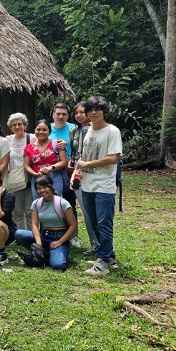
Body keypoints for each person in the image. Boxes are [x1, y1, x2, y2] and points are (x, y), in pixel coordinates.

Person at [73, 96, 122, 276]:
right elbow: (82, 157)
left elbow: (113, 158)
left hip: (104, 185)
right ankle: (108, 256)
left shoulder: (112, 131)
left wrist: (88, 165)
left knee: (103, 223)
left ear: (104, 111)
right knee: (93, 222)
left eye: (97, 109)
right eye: (90, 110)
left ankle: (102, 263)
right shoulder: (87, 132)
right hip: (87, 183)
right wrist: (76, 174)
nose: (93, 112)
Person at [14, 175, 77, 271]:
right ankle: (43, 253)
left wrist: (59, 242)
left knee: (58, 266)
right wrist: (38, 243)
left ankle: (47, 255)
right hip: (43, 236)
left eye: (44, 187)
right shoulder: (36, 203)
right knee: (18, 234)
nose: (42, 190)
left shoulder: (62, 203)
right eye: (39, 188)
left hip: (59, 237)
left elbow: (73, 226)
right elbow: (34, 225)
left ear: (51, 186)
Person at [50, 102, 79, 247]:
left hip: (70, 170)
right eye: (58, 114)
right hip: (52, 171)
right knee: (51, 202)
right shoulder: (46, 129)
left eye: (64, 114)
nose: (60, 117)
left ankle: (73, 235)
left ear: (68, 116)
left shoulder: (73, 129)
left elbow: (78, 147)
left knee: (69, 203)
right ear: (53, 115)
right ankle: (51, 232)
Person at [70, 101, 96, 253]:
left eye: (82, 112)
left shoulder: (94, 130)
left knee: (92, 208)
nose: (79, 115)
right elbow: (74, 153)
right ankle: (94, 242)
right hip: (77, 171)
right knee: (85, 208)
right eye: (76, 113)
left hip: (90, 170)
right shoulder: (74, 131)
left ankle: (98, 242)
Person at [24, 119, 68, 201]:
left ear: (49, 132)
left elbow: (64, 162)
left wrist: (50, 168)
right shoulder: (28, 147)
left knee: (55, 204)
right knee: (39, 204)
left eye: (44, 130)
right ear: (34, 131)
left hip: (54, 177)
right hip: (37, 179)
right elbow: (26, 165)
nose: (41, 132)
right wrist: (35, 174)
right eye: (38, 129)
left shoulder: (57, 143)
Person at [4, 113, 32, 230]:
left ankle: (32, 235)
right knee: (17, 211)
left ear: (25, 125)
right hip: (14, 178)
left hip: (30, 177)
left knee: (31, 210)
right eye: (14, 125)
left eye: (20, 124)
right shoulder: (7, 140)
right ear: (10, 128)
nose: (17, 127)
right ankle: (20, 234)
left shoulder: (33, 137)